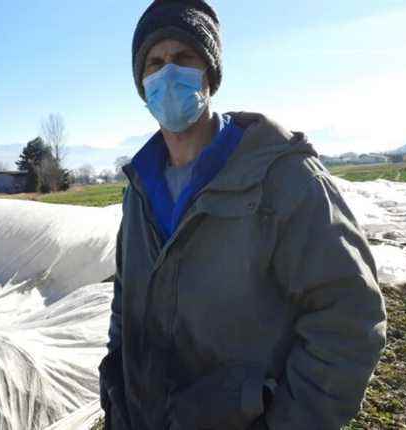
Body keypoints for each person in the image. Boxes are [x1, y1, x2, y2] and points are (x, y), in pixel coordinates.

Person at [98, 1, 388, 429]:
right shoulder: (139, 189)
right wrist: (118, 394)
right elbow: (125, 303)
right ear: (142, 84)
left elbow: (349, 313)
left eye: (184, 58)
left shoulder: (282, 176)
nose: (168, 74)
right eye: (154, 64)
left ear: (210, 75)